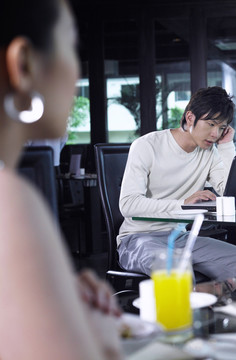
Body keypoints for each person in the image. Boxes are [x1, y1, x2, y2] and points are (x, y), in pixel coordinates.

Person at [0, 0, 124, 359]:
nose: (77, 72)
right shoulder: (12, 203)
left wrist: (51, 287)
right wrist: (98, 331)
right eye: (71, 46)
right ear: (23, 65)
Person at [118, 86, 236, 281]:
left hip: (181, 237)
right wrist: (183, 204)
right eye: (211, 124)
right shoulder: (147, 145)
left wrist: (226, 145)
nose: (215, 134)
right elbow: (128, 205)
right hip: (137, 238)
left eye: (221, 128)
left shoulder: (210, 151)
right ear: (190, 117)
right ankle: (198, 302)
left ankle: (220, 304)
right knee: (177, 270)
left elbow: (230, 190)